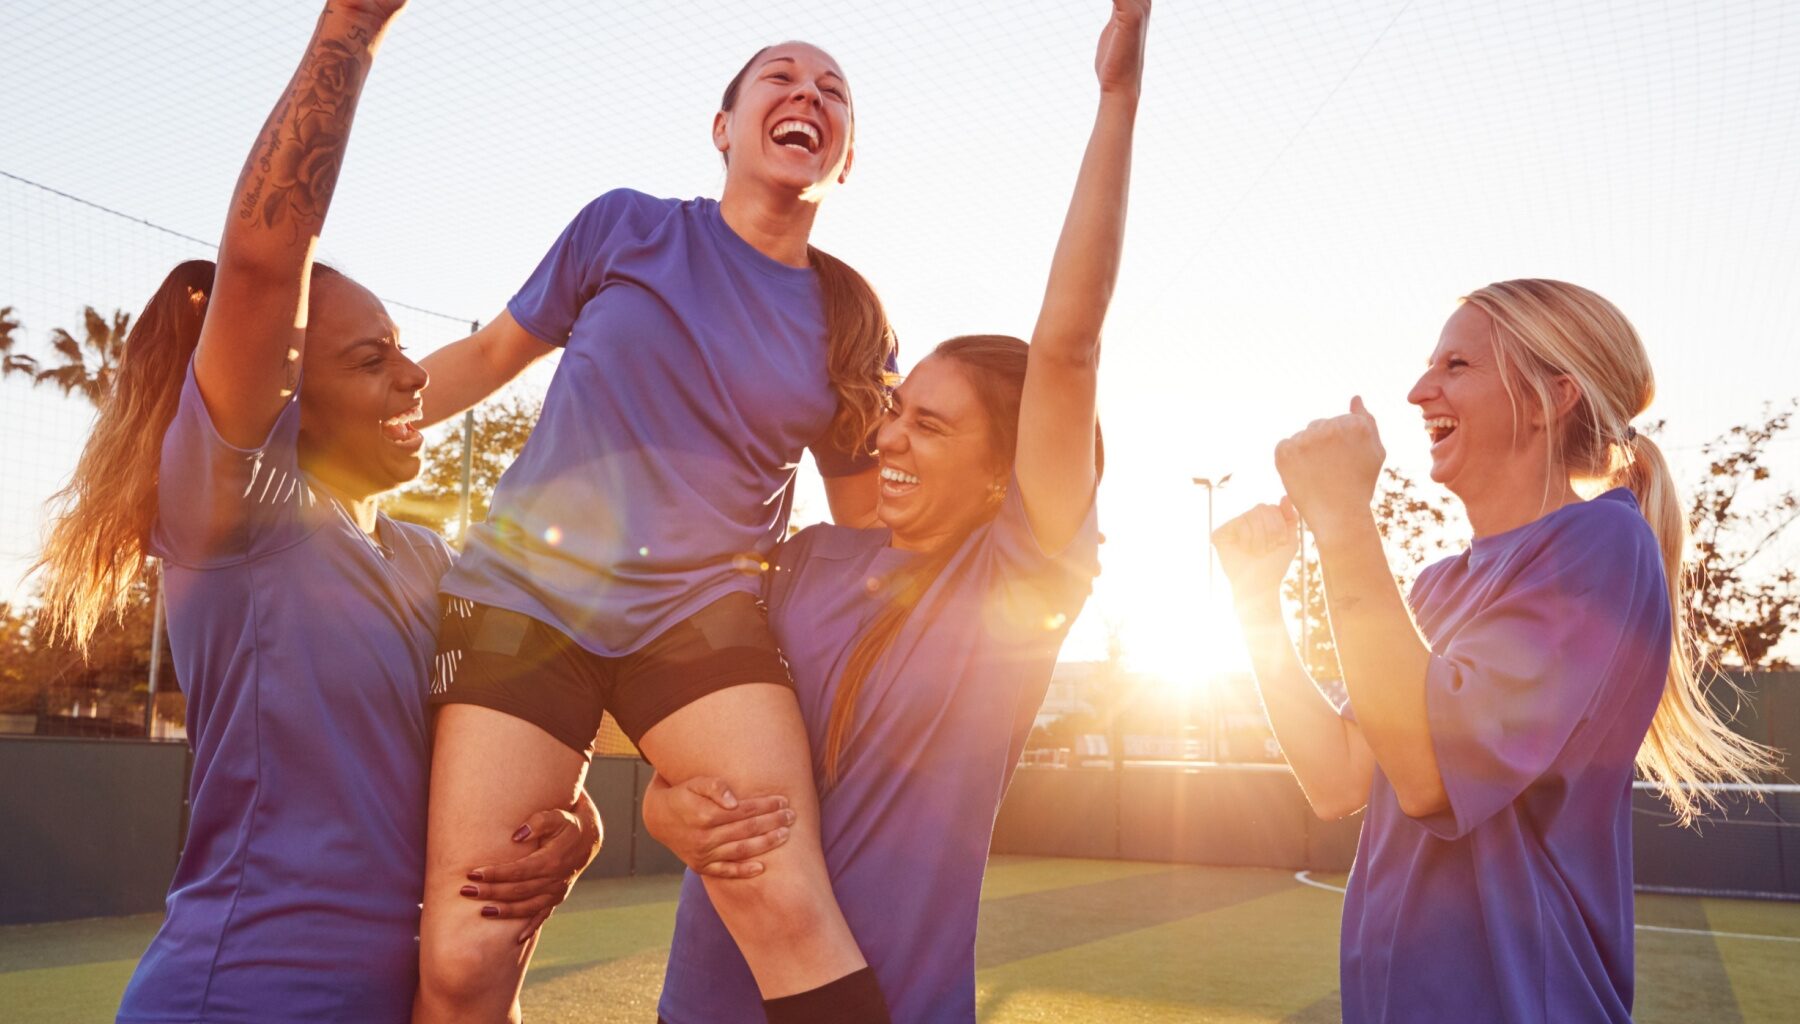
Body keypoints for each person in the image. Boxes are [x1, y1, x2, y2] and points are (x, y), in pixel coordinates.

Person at [31, 5, 600, 1021]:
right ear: (289, 392)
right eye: (371, 359)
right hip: (239, 994)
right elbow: (261, 262)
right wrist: (353, 28)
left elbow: (483, 745)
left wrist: (572, 820)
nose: (413, 375)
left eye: (403, 350)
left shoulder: (428, 556)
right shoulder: (235, 513)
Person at [644, 3, 1149, 1020]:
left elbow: (1068, 347)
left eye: (930, 425)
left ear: (1006, 475)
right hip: (707, 996)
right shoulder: (800, 561)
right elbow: (678, 724)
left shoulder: (1022, 575)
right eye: (894, 412)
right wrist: (667, 809)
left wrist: (1118, 101)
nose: (888, 438)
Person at [408, 26, 903, 1024]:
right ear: (725, 128)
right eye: (781, 76)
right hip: (522, 600)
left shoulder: (851, 320)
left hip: (704, 619)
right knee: (468, 951)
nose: (808, 92)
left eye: (832, 90)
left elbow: (863, 530)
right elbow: (489, 356)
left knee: (782, 895)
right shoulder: (624, 227)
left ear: (844, 157)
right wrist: (316, 434)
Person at [1212, 279, 1779, 1023]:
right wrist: (1257, 602)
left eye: (1456, 366)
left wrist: (1345, 517)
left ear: (1551, 398)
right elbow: (1337, 778)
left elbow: (1429, 781)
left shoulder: (1602, 545)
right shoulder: (1437, 587)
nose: (1419, 391)